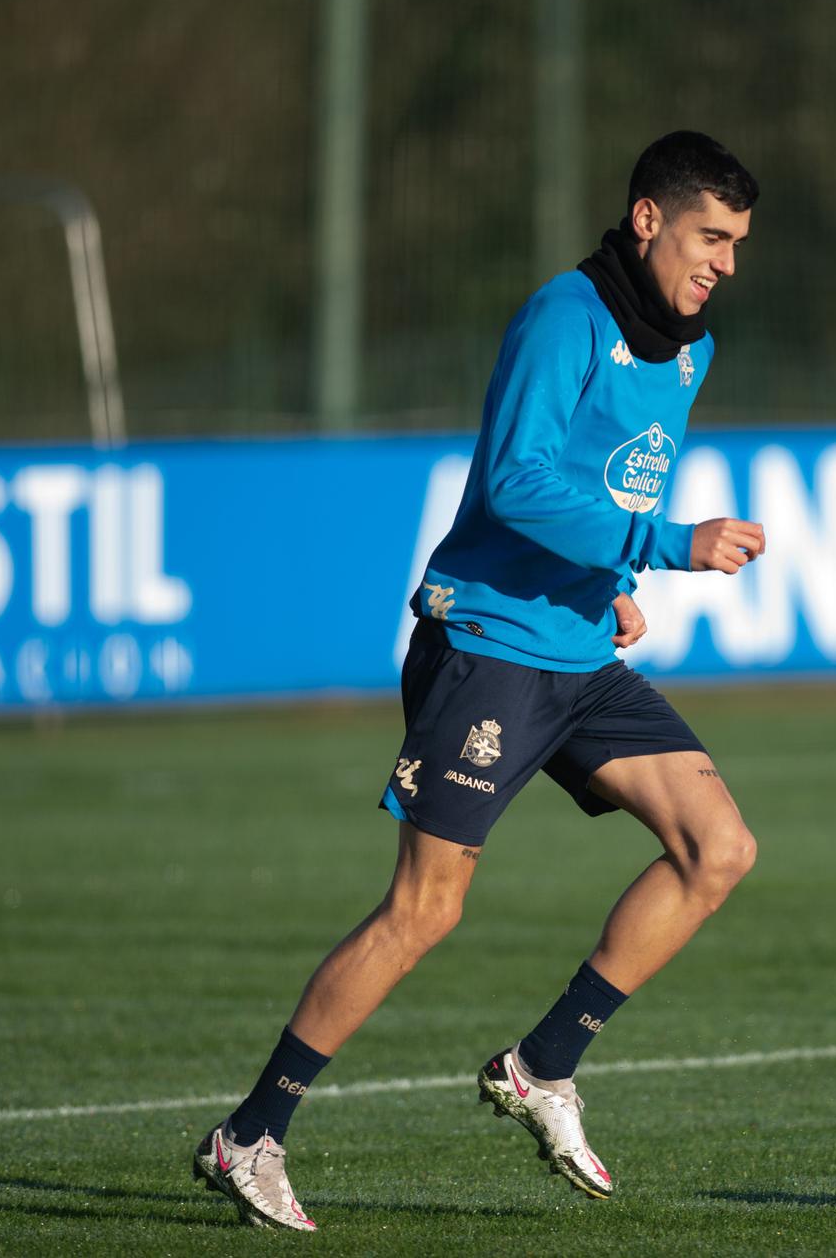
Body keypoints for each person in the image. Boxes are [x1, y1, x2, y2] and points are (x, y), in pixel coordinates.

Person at [196, 131, 764, 1231]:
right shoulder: (565, 317)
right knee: (425, 909)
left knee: (717, 848)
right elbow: (514, 484)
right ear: (646, 218)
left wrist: (605, 583)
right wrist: (659, 544)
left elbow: (588, 486)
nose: (724, 265)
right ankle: (249, 1135)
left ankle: (542, 1067)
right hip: (489, 648)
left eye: (737, 245)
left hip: (576, 650)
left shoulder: (690, 351)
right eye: (710, 238)